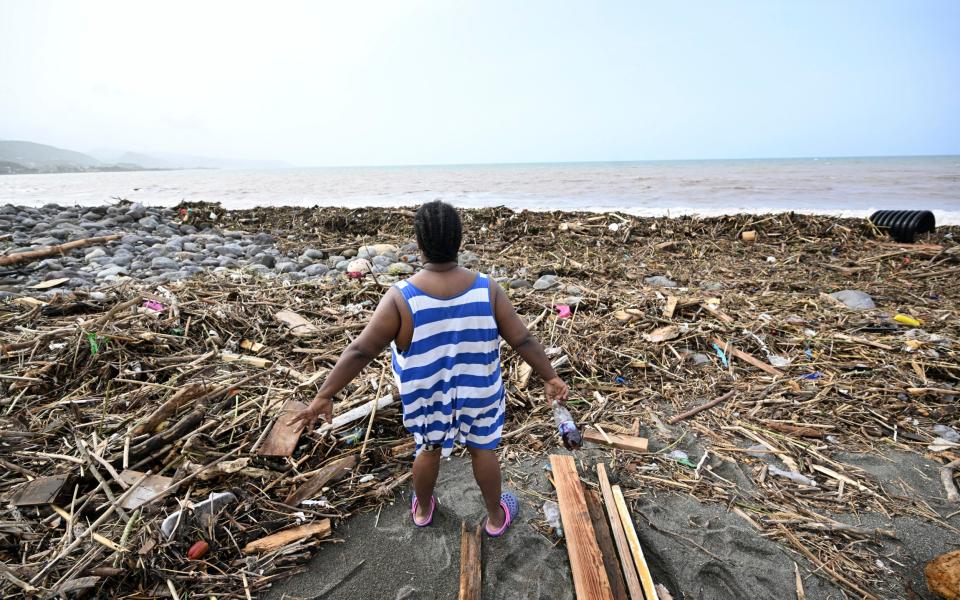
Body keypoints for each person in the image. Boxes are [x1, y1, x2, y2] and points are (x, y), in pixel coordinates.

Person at [289, 200, 569, 536]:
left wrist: (325, 394)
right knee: (484, 450)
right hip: (479, 392)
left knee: (429, 448)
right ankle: (496, 517)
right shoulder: (486, 289)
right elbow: (522, 339)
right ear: (459, 241)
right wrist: (549, 376)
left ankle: (423, 508)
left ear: (419, 244)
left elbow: (361, 349)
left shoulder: (401, 298)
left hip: (427, 397)